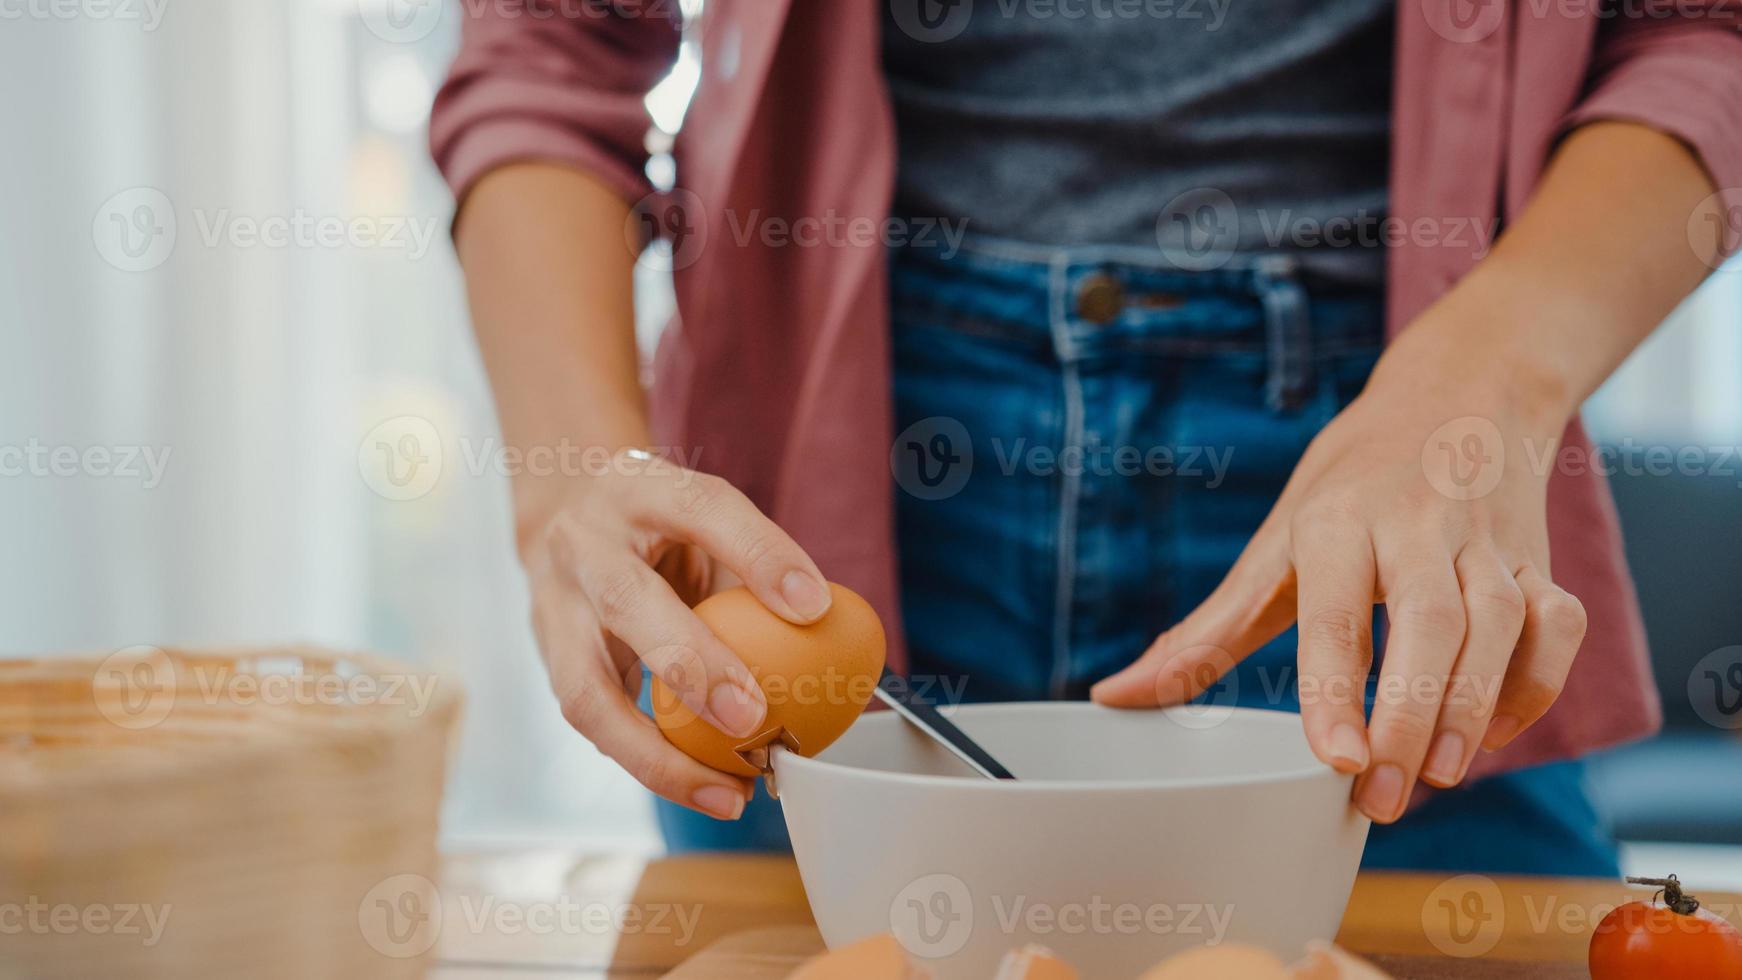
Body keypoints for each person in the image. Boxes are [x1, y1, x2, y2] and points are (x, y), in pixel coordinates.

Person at [430, 0, 1741, 874]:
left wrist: (1487, 375)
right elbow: (548, 52)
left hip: (1386, 487)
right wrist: (574, 479)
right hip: (827, 469)